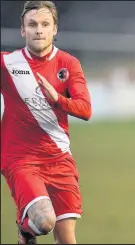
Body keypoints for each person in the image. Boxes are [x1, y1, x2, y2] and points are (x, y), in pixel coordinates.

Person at [1, 1, 92, 244]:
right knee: (44, 221)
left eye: (44, 24)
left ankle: (26, 229)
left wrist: (58, 99)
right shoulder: (7, 64)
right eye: (32, 25)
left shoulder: (68, 64)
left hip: (59, 158)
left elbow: (85, 110)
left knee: (66, 240)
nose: (38, 30)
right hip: (20, 159)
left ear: (54, 29)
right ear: (23, 30)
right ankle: (26, 230)